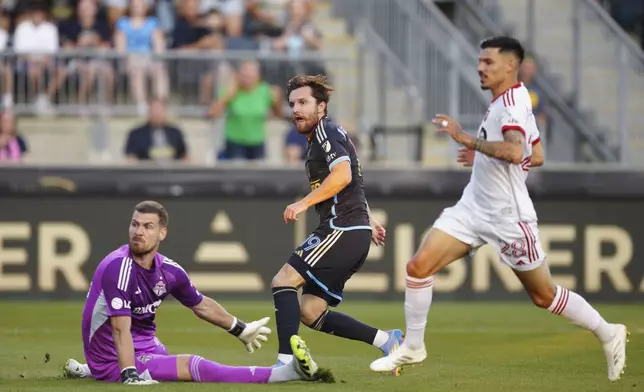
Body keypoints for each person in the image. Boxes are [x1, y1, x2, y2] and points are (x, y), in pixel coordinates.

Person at [369, 36, 628, 382]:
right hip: (474, 207)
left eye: (488, 62)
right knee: (418, 267)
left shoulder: (509, 106)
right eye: (480, 61)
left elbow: (516, 151)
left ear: (511, 65)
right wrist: (484, 156)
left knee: (544, 295)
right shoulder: (514, 99)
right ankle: (414, 346)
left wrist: (467, 140)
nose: (480, 67)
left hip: (508, 217)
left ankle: (609, 332)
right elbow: (536, 156)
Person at [63, 200, 332, 384]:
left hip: (142, 343)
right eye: (135, 224)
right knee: (193, 365)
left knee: (160, 351)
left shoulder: (169, 270)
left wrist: (239, 328)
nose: (138, 232)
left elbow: (200, 304)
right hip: (111, 354)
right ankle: (285, 374)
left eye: (147, 227)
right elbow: (120, 328)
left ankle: (92, 372)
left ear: (162, 233)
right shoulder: (117, 267)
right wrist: (130, 373)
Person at [271, 75, 404, 374]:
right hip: (352, 229)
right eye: (293, 104)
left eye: (304, 102)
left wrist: (303, 203)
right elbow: (352, 178)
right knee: (311, 311)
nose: (296, 109)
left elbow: (343, 176)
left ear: (322, 106)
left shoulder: (324, 132)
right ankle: (388, 341)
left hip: (340, 228)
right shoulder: (328, 135)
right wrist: (368, 218)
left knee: (283, 280)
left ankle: (285, 364)